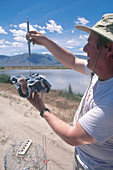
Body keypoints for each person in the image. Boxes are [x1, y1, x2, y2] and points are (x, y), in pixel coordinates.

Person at [26, 13, 113, 169]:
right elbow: (72, 61)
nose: (84, 49)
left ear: (109, 50)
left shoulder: (111, 103)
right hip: (83, 157)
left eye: (90, 44)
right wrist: (45, 41)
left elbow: (73, 137)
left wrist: (42, 109)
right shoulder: (100, 69)